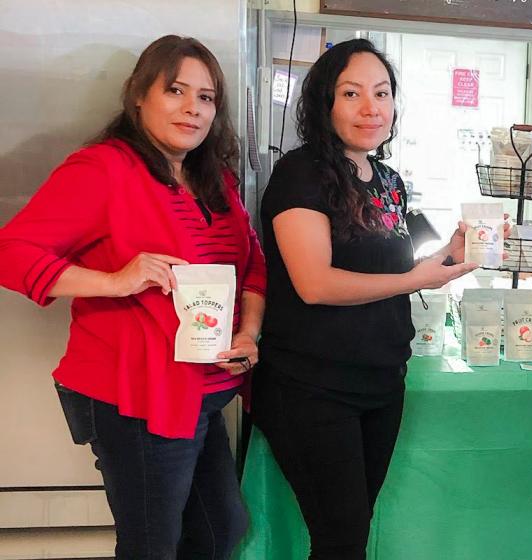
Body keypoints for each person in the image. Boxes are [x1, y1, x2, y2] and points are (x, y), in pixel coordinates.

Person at [0, 35, 265, 558]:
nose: (192, 107)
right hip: (137, 396)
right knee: (152, 546)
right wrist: (114, 280)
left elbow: (252, 264)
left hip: (201, 394)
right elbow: (11, 252)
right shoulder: (104, 170)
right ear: (139, 95)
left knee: (219, 532)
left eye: (207, 97)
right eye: (175, 90)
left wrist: (248, 333)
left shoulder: (214, 178)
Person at [250, 38, 479, 559]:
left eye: (381, 93)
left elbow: (398, 267)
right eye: (351, 93)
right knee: (342, 540)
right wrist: (414, 280)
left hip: (379, 383)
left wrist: (451, 251)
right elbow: (316, 283)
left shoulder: (388, 181)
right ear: (324, 103)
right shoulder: (301, 174)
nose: (370, 107)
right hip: (310, 387)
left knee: (350, 532)